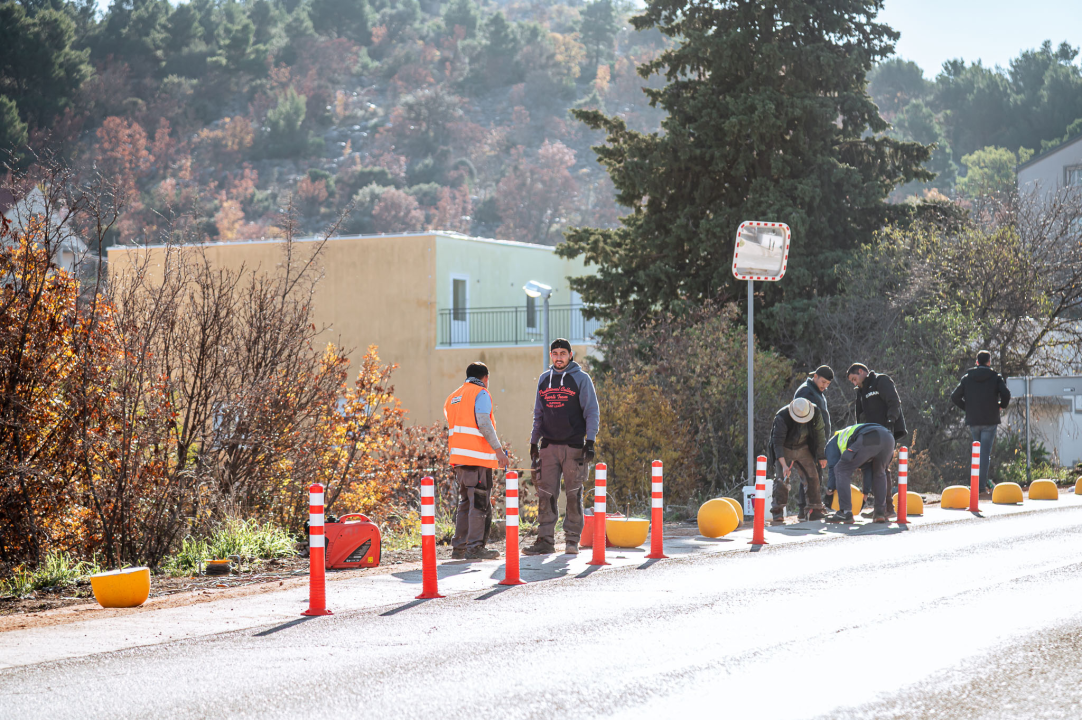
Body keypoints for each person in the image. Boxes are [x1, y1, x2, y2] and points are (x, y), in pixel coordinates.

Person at [525, 339, 601, 556]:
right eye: (555, 353)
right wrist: (534, 442)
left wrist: (590, 442)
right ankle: (545, 540)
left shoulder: (581, 379)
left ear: (570, 355)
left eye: (563, 353)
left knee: (573, 495)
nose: (559, 357)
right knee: (545, 494)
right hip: (548, 446)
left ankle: (572, 540)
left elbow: (591, 411)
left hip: (574, 446)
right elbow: (538, 414)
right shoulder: (544, 379)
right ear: (551, 355)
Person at [443, 362, 509, 561]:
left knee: (465, 503)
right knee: (479, 504)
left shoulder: (453, 397)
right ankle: (475, 548)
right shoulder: (480, 393)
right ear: (486, 378)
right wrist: (499, 451)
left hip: (459, 460)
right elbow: (484, 423)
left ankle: (460, 548)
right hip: (477, 460)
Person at [846, 363, 907, 514]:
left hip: (886, 433)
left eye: (854, 379)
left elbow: (894, 402)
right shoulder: (860, 391)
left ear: (861, 371)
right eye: (852, 381)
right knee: (875, 468)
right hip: (869, 436)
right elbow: (860, 416)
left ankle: (886, 507)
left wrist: (891, 422)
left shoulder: (881, 380)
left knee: (881, 468)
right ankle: (883, 507)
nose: (854, 383)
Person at [951, 350, 1011, 495]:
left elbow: (955, 396)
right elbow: (1006, 394)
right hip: (990, 421)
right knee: (984, 454)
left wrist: (968, 408)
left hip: (974, 421)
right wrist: (1001, 405)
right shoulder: (995, 377)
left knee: (976, 453)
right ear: (989, 362)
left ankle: (975, 484)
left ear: (977, 362)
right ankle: (981, 487)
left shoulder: (967, 378)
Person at [768, 397, 827, 523]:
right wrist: (784, 465)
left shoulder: (816, 413)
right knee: (781, 478)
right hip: (785, 448)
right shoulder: (782, 417)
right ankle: (777, 511)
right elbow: (777, 443)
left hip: (804, 447)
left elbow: (820, 434)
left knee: (812, 476)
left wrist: (821, 455)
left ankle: (814, 510)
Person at [826, 424, 896, 524]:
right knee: (879, 472)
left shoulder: (830, 445)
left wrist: (830, 490)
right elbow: (867, 469)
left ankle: (845, 512)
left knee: (841, 468)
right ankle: (880, 512)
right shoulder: (847, 434)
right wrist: (865, 492)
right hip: (888, 438)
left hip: (870, 437)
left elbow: (833, 467)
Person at [794, 366, 833, 509]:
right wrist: (819, 449)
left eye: (828, 384)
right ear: (815, 376)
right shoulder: (806, 391)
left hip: (815, 441)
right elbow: (808, 422)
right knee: (811, 475)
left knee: (811, 475)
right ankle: (810, 507)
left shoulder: (815, 391)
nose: (825, 386)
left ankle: (807, 507)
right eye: (823, 382)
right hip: (809, 442)